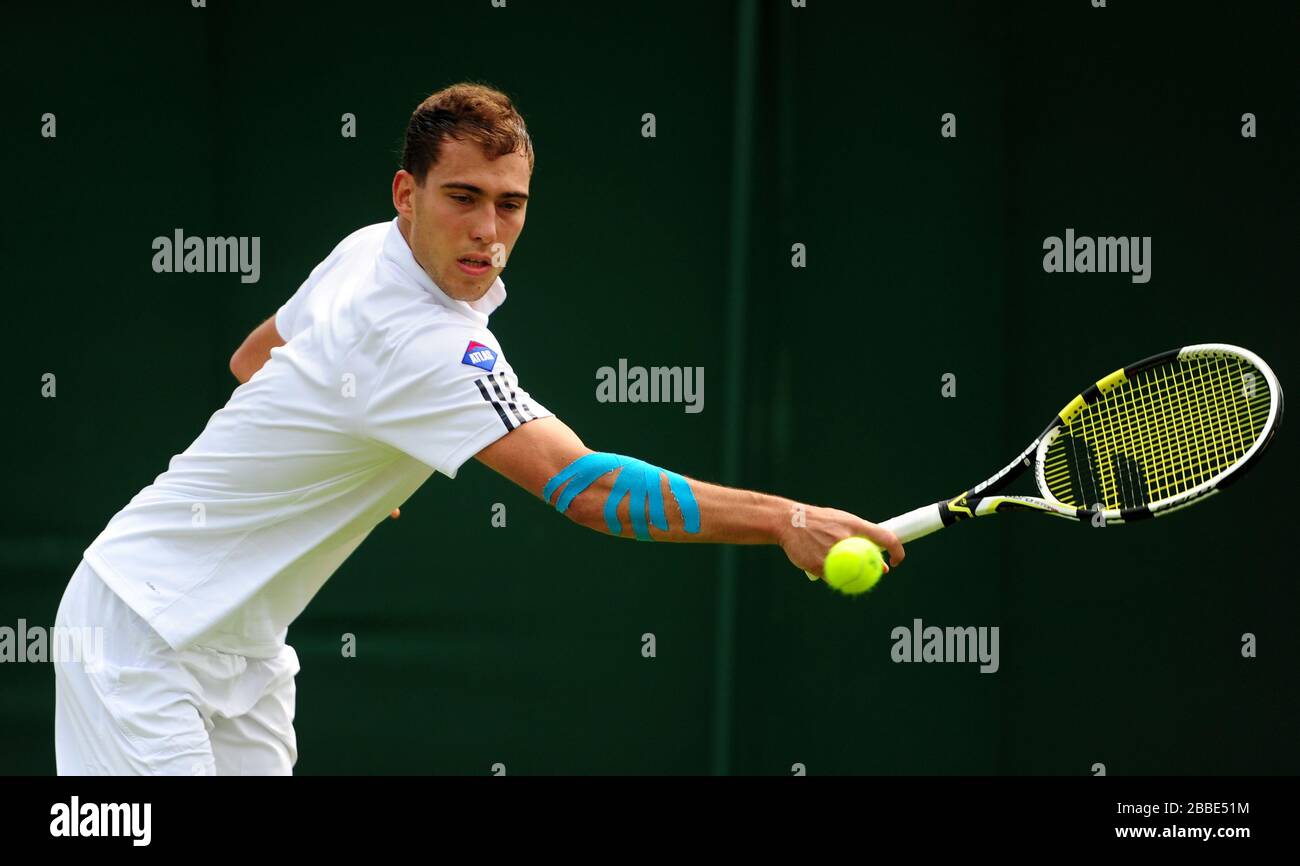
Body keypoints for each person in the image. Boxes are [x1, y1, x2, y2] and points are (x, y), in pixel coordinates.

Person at [53, 82, 904, 776]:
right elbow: (590, 489)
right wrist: (787, 519)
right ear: (408, 193)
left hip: (242, 652)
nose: (489, 232)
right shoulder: (425, 341)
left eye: (511, 204)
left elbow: (252, 359)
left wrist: (349, 459)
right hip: (140, 633)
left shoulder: (366, 248)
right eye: (464, 198)